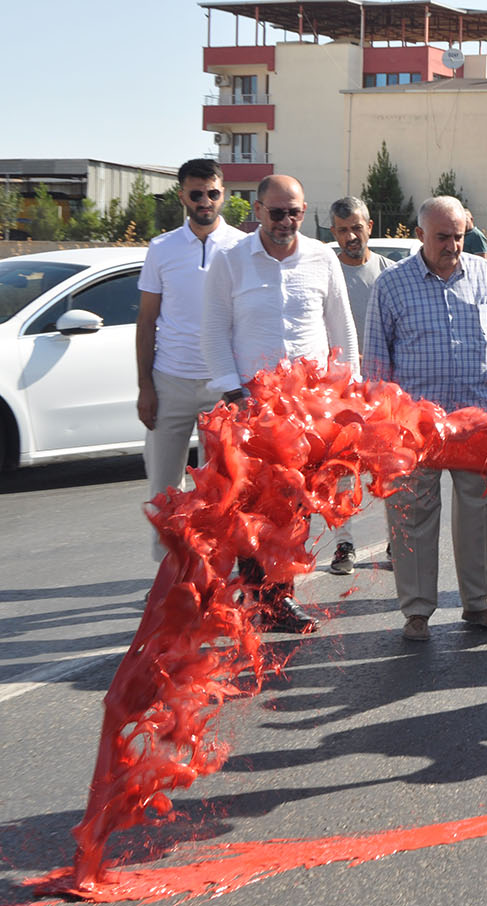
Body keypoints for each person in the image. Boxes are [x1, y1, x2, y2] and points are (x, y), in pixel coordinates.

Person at [201, 174, 359, 634]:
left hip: (309, 411)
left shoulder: (322, 257)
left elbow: (342, 328)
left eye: (294, 213)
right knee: (252, 506)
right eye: (276, 213)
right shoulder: (230, 261)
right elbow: (213, 330)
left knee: (296, 505)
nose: (285, 221)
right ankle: (258, 597)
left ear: (304, 212)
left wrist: (347, 391)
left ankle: (278, 598)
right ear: (257, 211)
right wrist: (234, 395)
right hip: (251, 408)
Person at [363, 196, 487, 642]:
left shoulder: (483, 274)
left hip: (475, 419)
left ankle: (480, 604)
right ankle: (416, 611)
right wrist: (382, 424)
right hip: (414, 427)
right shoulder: (393, 285)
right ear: (420, 236)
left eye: (459, 236)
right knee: (412, 517)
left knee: (479, 515)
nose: (452, 246)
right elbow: (376, 361)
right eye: (442, 237)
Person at [136, 158, 244, 560]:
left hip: (223, 386)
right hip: (170, 382)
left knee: (220, 491)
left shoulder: (241, 247)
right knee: (164, 490)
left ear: (223, 195)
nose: (205, 201)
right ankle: (170, 574)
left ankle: (213, 574)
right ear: (182, 195)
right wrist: (145, 387)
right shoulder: (161, 248)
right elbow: (147, 321)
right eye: (196, 194)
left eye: (212, 193)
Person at [325, 195, 394, 574]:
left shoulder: (389, 273)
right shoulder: (326, 271)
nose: (350, 236)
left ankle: (396, 541)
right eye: (342, 230)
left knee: (389, 469)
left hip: (384, 391)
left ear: (369, 226)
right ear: (333, 232)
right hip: (339, 394)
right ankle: (344, 545)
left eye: (356, 228)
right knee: (341, 471)